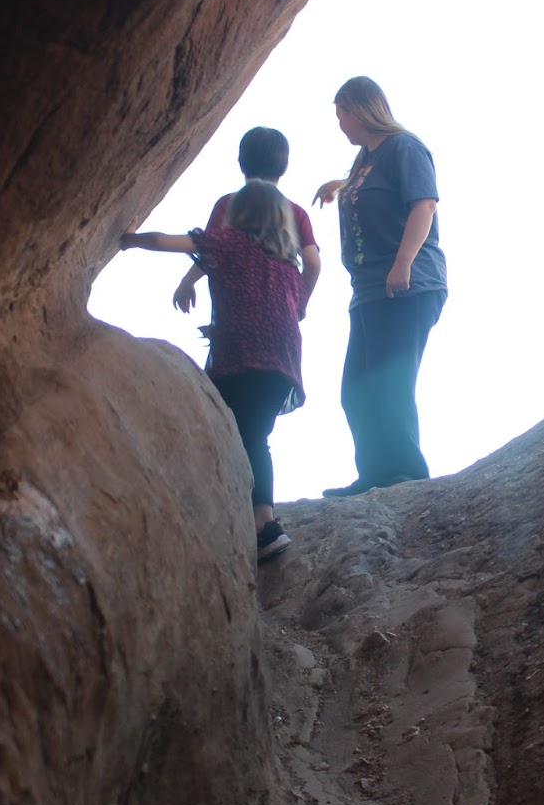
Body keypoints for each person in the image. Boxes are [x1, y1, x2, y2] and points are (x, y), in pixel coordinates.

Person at [120, 178, 306, 560]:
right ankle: (256, 518)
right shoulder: (288, 262)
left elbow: (168, 243)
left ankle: (264, 526)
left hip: (242, 358)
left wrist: (129, 238)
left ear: (240, 214)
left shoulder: (233, 243)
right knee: (255, 435)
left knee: (240, 434)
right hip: (281, 364)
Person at [313, 76, 447, 497]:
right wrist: (339, 186)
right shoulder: (364, 161)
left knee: (390, 384)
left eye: (342, 114)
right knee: (356, 390)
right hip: (369, 290)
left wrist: (403, 261)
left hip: (406, 284)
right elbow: (368, 188)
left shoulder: (404, 147)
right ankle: (374, 474)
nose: (340, 125)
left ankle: (405, 477)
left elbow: (424, 204)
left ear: (360, 107)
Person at [173, 126, 321, 317]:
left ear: (241, 164)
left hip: (233, 316)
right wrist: (299, 304)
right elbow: (313, 263)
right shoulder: (296, 213)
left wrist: (187, 282)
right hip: (280, 322)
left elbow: (210, 253)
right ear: (284, 167)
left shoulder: (228, 204)